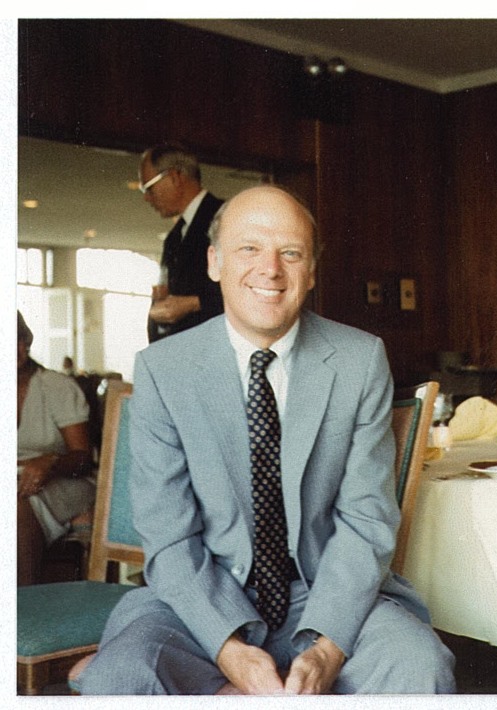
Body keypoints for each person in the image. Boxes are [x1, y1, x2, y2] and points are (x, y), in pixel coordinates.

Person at [76, 185, 455, 695]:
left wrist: (327, 648)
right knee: (121, 676)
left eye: (290, 253)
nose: (270, 270)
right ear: (214, 262)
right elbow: (169, 537)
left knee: (418, 665)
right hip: (200, 599)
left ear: (311, 270)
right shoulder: (163, 369)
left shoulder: (360, 360)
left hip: (325, 594)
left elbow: (366, 521)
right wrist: (228, 650)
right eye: (249, 248)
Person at [16, 312, 94, 586]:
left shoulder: (56, 387)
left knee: (14, 507)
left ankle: (24, 603)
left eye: (18, 339)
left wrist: (50, 462)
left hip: (64, 480)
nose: (15, 349)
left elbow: (83, 459)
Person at [140, 142, 224, 342]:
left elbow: (248, 289)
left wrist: (194, 303)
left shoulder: (225, 216)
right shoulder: (174, 237)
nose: (147, 198)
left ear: (174, 177)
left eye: (149, 188)